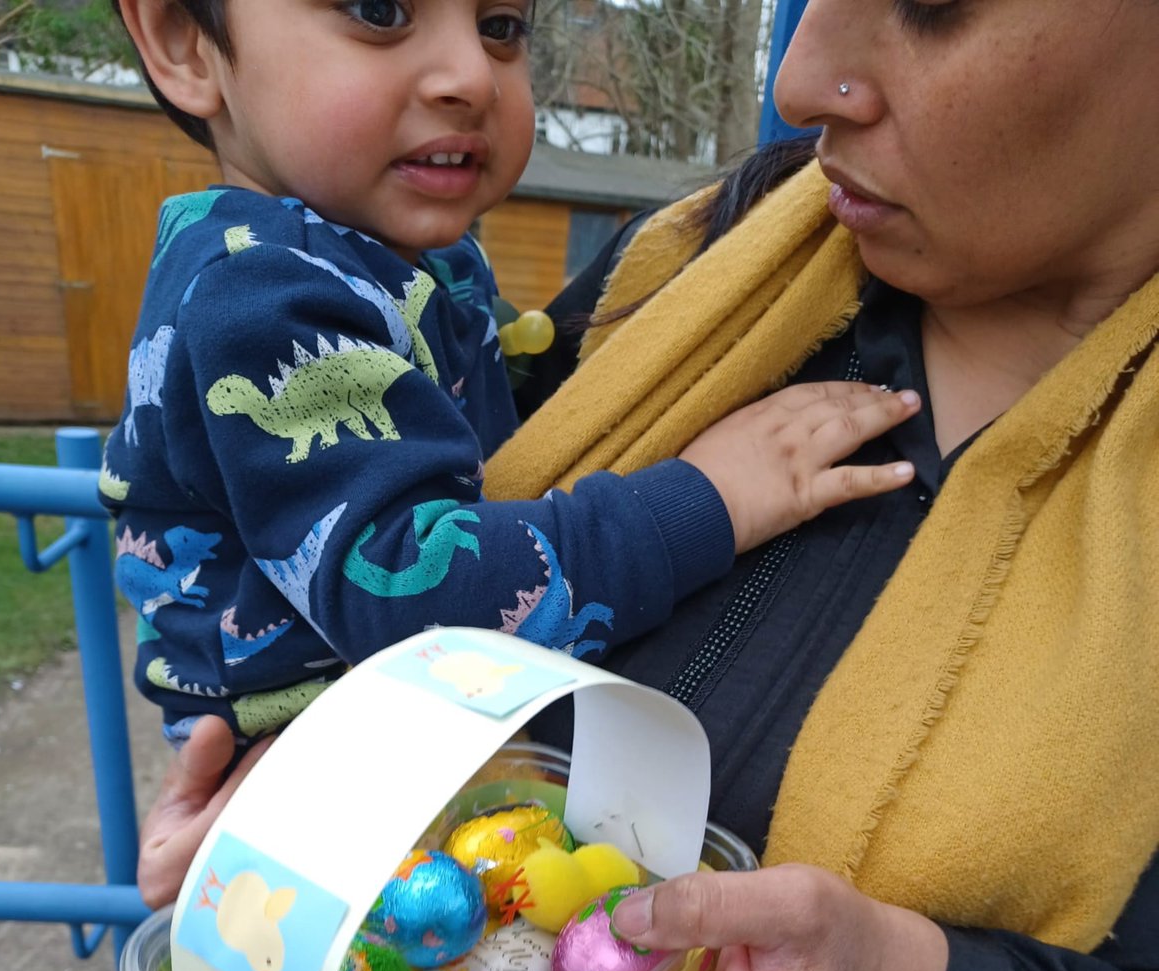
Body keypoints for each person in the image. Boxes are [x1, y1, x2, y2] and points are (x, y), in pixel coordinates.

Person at [138, 0, 1159, 971]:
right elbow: (424, 588)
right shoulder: (684, 275)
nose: (797, 80)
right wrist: (273, 825)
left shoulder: (414, 261)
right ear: (178, 40)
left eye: (929, 5)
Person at [101, 0, 916, 752]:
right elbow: (418, 613)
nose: (470, 77)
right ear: (185, 44)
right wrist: (707, 500)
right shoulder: (258, 295)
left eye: (500, 25)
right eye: (378, 11)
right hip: (326, 770)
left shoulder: (410, 262)